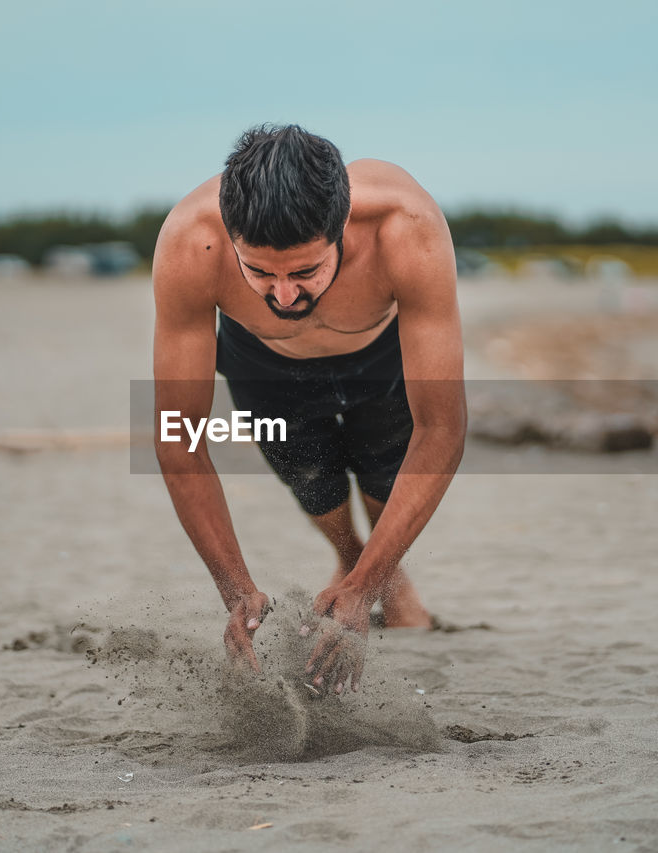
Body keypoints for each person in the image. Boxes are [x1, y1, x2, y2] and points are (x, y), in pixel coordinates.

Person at [152, 125, 466, 694]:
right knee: (315, 485)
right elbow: (178, 437)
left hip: (378, 354)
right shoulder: (190, 241)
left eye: (304, 271)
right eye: (259, 273)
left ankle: (381, 579)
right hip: (261, 363)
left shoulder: (405, 226)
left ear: (342, 226)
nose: (284, 296)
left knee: (381, 479)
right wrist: (237, 592)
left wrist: (364, 592)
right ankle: (350, 558)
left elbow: (442, 429)